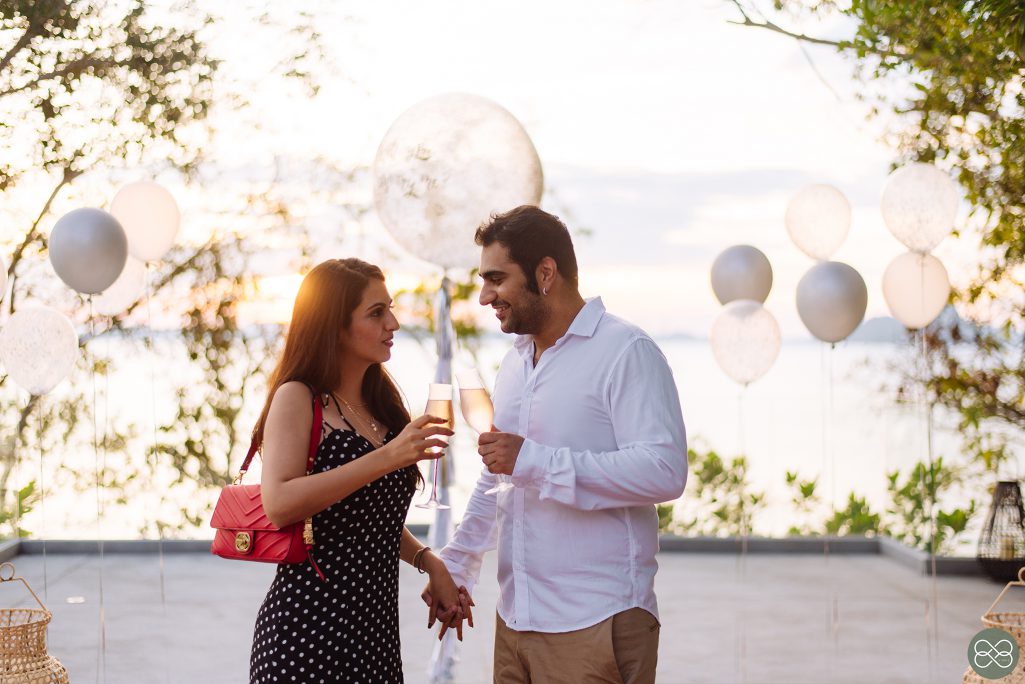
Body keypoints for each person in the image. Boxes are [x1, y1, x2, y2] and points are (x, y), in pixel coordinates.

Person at [432, 206, 688, 683]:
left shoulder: (626, 351)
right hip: (515, 621)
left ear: (545, 273)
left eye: (496, 279)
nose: (485, 295)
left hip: (596, 622)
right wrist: (459, 565)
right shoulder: (516, 362)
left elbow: (664, 469)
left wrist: (535, 461)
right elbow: (499, 473)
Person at [249, 258, 471, 684]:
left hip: (374, 637)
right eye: (376, 313)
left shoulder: (380, 402)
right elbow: (278, 504)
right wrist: (388, 458)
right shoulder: (299, 397)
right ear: (335, 326)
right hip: (306, 635)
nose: (393, 322)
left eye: (390, 308)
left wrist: (430, 561)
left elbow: (371, 516)